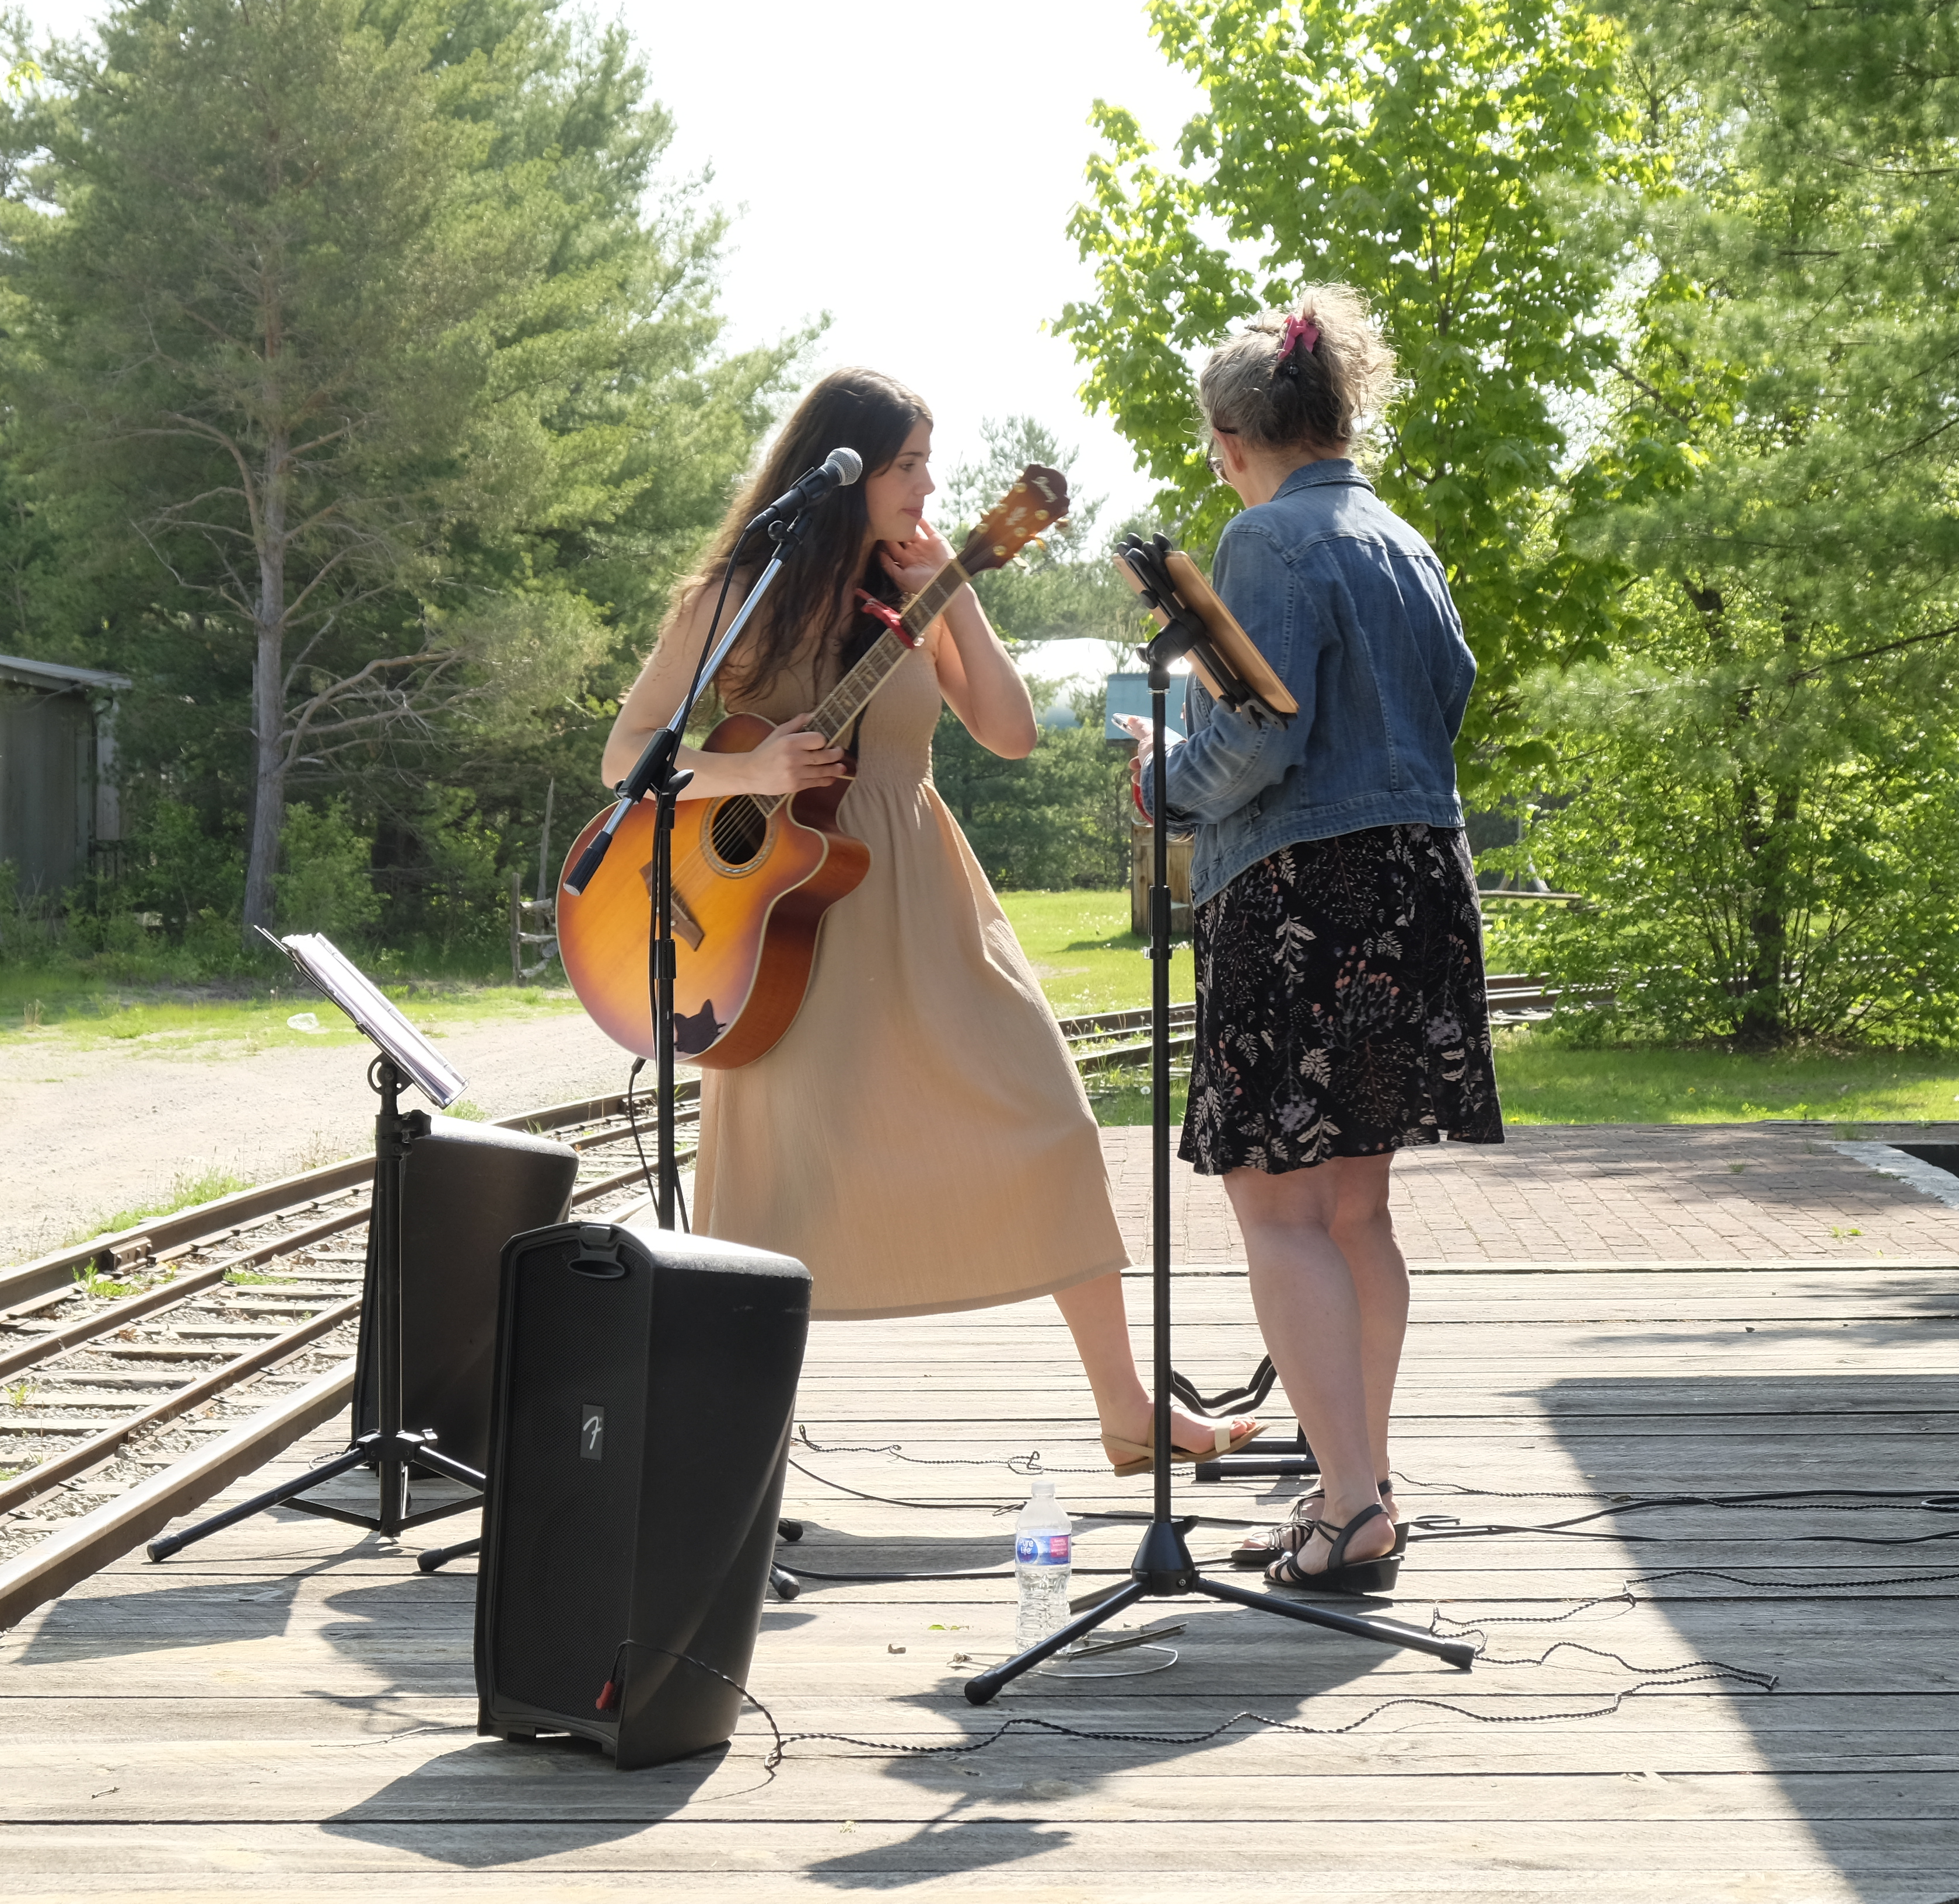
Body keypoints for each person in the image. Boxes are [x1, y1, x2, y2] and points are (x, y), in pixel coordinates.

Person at [601, 366, 1260, 1474]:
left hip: (921, 896)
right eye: (907, 464)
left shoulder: (921, 591)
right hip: (774, 923)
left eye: (929, 462)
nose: (928, 484)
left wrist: (960, 598)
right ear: (842, 469)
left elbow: (1008, 733)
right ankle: (724, 1453)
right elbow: (629, 759)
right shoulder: (737, 594)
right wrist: (751, 765)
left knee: (1049, 1116)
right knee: (774, 1179)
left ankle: (1126, 1408)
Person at [1125, 287, 1504, 1592]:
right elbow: (1444, 697)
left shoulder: (1264, 543)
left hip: (1303, 895)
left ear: (1237, 439)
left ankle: (1346, 1505)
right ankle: (1362, 1486)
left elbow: (1261, 732)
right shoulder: (1405, 539)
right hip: (1419, 878)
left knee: (1277, 1209)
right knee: (1358, 1209)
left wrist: (1158, 778)